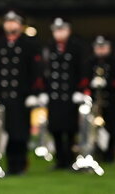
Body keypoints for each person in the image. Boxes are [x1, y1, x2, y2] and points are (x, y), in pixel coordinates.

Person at [0, 10, 42, 175]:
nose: (10, 25)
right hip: (4, 96)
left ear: (21, 25)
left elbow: (36, 70)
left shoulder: (29, 44)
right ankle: (10, 164)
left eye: (14, 22)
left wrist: (35, 92)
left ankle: (21, 163)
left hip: (22, 97)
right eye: (7, 22)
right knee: (6, 133)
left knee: (21, 132)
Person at [44, 17, 86, 170]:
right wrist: (43, 91)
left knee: (70, 129)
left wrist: (80, 91)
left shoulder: (76, 47)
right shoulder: (49, 47)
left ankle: (70, 159)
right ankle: (59, 160)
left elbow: (82, 69)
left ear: (68, 31)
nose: (59, 33)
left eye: (62, 30)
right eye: (56, 30)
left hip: (70, 96)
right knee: (55, 129)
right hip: (54, 96)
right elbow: (45, 71)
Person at [88, 36, 115, 164]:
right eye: (98, 47)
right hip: (95, 102)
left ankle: (110, 155)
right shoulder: (90, 62)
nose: (101, 50)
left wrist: (107, 83)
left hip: (111, 101)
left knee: (111, 129)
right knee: (94, 130)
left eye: (103, 47)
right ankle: (97, 153)